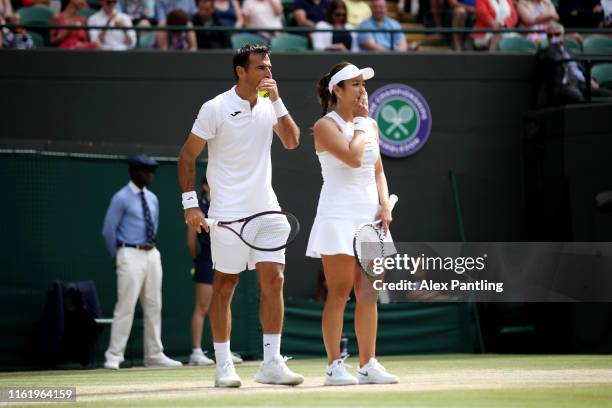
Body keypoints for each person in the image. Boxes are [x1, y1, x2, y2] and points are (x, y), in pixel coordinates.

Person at [178, 44, 303, 388]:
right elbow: (187, 156)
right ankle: (223, 366)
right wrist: (191, 204)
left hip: (266, 209)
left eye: (269, 66)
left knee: (274, 279)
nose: (268, 73)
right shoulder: (215, 108)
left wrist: (276, 100)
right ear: (241, 71)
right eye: (261, 67)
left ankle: (272, 363)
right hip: (227, 214)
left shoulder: (270, 105)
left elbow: (293, 141)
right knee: (225, 285)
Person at [306, 61, 399, 386]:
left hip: (369, 216)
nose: (363, 90)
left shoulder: (370, 125)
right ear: (338, 91)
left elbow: (377, 171)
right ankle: (334, 367)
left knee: (369, 293)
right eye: (356, 84)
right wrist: (360, 123)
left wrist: (384, 203)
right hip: (337, 215)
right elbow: (353, 156)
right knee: (339, 292)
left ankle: (368, 363)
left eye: (363, 84)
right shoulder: (324, 126)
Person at [102, 155, 182, 370]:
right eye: (146, 171)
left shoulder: (153, 198)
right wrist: (118, 256)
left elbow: (153, 226)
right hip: (129, 253)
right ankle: (114, 355)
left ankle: (154, 355)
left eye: (152, 171)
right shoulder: (121, 198)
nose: (150, 175)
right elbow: (108, 230)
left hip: (152, 253)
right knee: (126, 306)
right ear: (134, 172)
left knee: (154, 305)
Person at [187, 176, 243, 366]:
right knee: (202, 307)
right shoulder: (198, 210)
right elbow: (191, 242)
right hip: (205, 261)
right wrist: (199, 260)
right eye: (212, 183)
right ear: (204, 186)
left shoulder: (223, 206)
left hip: (223, 259)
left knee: (221, 304)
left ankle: (223, 350)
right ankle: (196, 352)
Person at [536, 21, 612, 106]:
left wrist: (591, 80)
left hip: (582, 84)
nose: (553, 38)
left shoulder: (571, 53)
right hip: (566, 85)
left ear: (563, 36)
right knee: (576, 96)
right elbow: (547, 57)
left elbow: (582, 69)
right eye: (550, 36)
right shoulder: (545, 52)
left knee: (606, 94)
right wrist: (554, 47)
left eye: (557, 34)